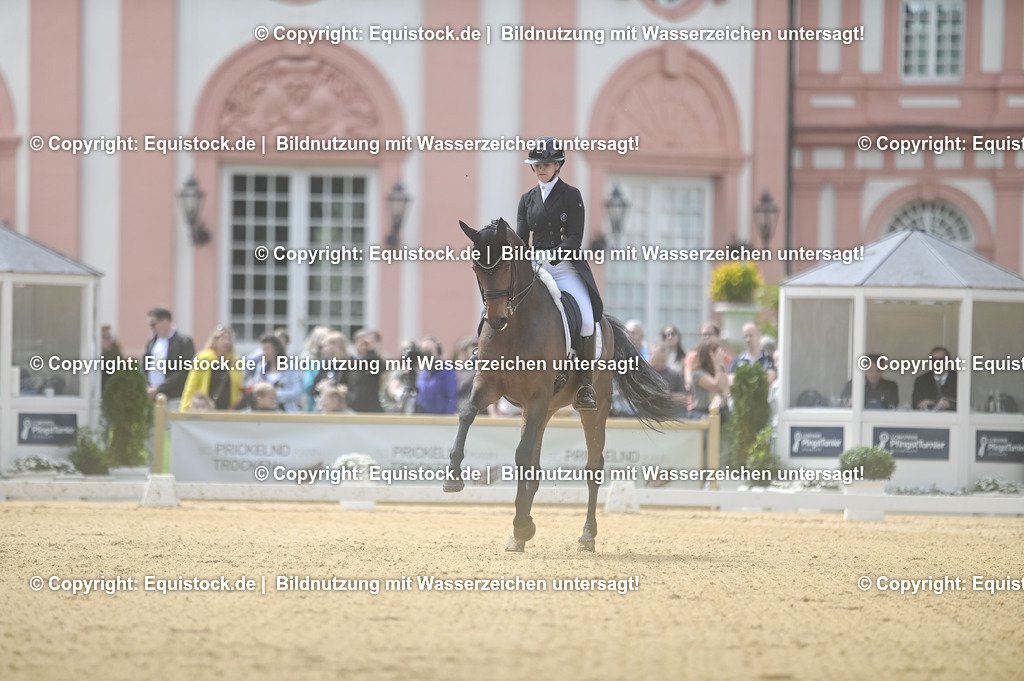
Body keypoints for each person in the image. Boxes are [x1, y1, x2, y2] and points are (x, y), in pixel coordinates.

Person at [517, 135, 604, 411]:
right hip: (535, 268)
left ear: (558, 165)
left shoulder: (571, 195)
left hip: (564, 267)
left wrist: (553, 253)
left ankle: (585, 386)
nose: (541, 168)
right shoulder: (527, 199)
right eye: (537, 164)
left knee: (588, 321)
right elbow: (521, 239)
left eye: (547, 163)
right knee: (505, 298)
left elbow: (575, 238)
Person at [180, 325, 243, 411]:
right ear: (215, 341)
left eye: (229, 339)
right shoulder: (202, 359)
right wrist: (185, 407)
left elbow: (239, 388)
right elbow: (191, 386)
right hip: (206, 408)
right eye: (223, 339)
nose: (227, 342)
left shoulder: (235, 361)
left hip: (228, 409)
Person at [144, 307, 195, 408]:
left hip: (173, 396)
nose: (151, 328)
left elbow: (184, 370)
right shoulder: (152, 342)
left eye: (153, 324)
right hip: (152, 397)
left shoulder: (183, 341)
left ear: (165, 322)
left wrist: (160, 388)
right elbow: (145, 366)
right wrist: (148, 387)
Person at [245, 333, 303, 411]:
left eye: (267, 349)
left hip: (286, 412)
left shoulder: (291, 367)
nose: (264, 353)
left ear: (276, 350)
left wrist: (273, 395)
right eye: (263, 349)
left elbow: (296, 391)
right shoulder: (261, 368)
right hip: (264, 413)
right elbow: (256, 389)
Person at [414, 336, 457, 414]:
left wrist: (447, 420)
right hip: (423, 420)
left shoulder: (447, 371)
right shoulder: (422, 374)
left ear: (438, 352)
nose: (426, 355)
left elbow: (451, 398)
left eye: (429, 351)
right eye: (423, 352)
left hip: (441, 421)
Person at [346, 330, 384, 413]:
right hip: (353, 407)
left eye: (366, 344)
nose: (363, 347)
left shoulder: (375, 360)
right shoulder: (351, 363)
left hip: (371, 408)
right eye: (360, 343)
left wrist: (371, 350)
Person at [690, 340, 730, 417]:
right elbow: (716, 386)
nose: (718, 356)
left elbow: (725, 390)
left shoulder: (719, 369)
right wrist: (717, 365)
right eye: (715, 353)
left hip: (721, 412)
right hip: (703, 414)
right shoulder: (697, 373)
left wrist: (720, 366)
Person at [649, 341, 688, 417]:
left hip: (668, 418)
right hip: (645, 418)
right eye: (657, 360)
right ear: (651, 355)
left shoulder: (674, 375)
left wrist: (669, 396)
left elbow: (684, 398)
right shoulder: (641, 373)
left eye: (662, 361)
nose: (659, 363)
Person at [912, 346, 957, 411]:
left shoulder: (958, 380)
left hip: (953, 419)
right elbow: (914, 404)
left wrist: (950, 404)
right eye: (933, 360)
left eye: (941, 360)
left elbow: (966, 403)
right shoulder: (921, 380)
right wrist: (932, 403)